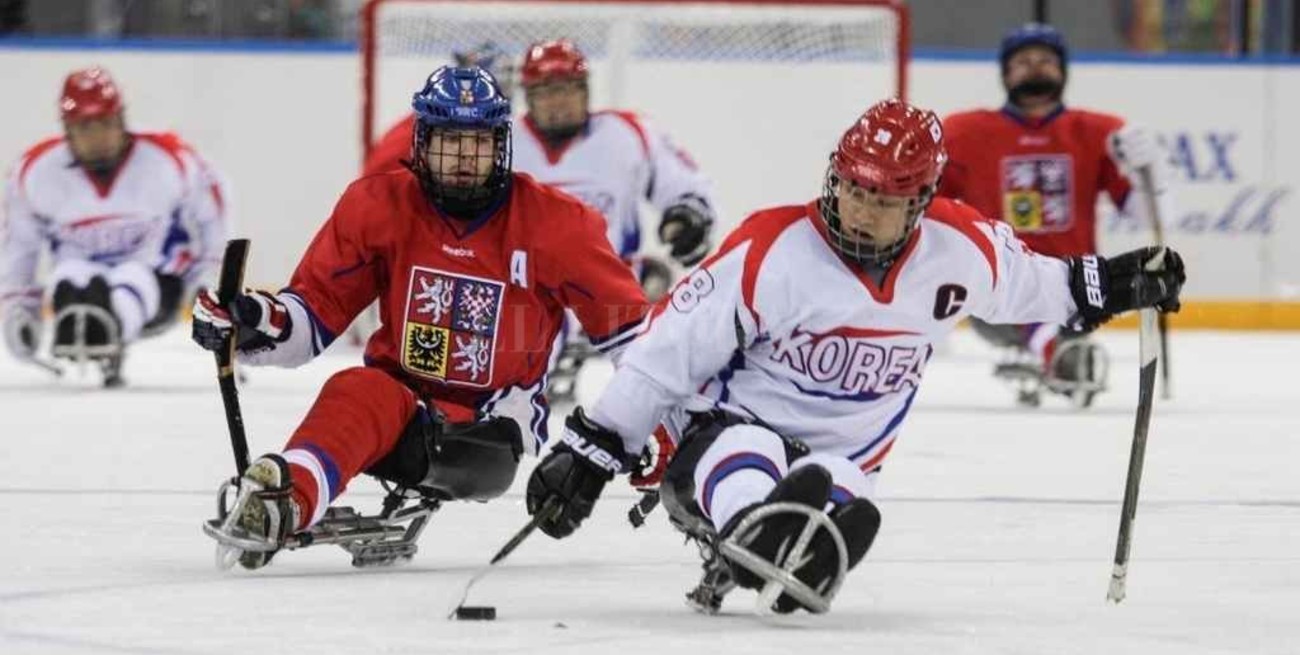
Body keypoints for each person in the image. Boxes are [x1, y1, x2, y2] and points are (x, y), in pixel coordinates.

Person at [521, 99, 1186, 614]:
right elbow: (666, 351)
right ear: (835, 176)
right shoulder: (772, 248)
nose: (863, 210)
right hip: (721, 437)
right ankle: (756, 528)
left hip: (846, 453)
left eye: (885, 200)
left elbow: (1041, 285)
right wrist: (594, 444)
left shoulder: (960, 247)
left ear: (920, 202)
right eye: (854, 189)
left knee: (847, 487)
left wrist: (1119, 282)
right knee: (743, 454)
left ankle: (806, 544)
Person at [191, 66, 647, 570]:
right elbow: (314, 313)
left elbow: (639, 342)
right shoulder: (377, 205)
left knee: (366, 392)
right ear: (422, 142)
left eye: (478, 143)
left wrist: (650, 431)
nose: (462, 160)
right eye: (449, 142)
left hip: (488, 433)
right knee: (359, 388)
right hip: (398, 409)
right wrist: (254, 320)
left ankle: (287, 498)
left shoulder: (558, 224)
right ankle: (283, 501)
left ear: (502, 145)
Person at [939, 23, 1174, 406]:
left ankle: (1049, 349)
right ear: (1005, 72)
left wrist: (1152, 174)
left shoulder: (1100, 131)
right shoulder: (963, 132)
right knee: (1009, 282)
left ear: (1063, 70)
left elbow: (1154, 216)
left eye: (1046, 60)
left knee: (1058, 301)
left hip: (1080, 290)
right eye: (1024, 61)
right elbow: (928, 216)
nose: (1035, 68)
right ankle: (1052, 352)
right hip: (995, 291)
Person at [1, 66, 227, 386]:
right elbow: (20, 246)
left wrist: (207, 279)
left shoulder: (169, 160)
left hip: (158, 280)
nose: (98, 138)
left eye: (105, 123)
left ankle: (110, 319)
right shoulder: (35, 172)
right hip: (77, 274)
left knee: (133, 277)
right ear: (67, 129)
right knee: (70, 275)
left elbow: (212, 216)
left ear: (121, 119)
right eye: (85, 127)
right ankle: (82, 313)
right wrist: (19, 309)